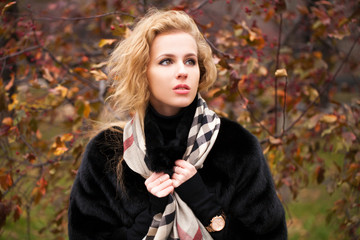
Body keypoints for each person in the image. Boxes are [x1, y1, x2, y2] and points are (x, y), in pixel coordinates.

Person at [68, 8, 287, 240]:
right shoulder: (107, 153)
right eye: (166, 61)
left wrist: (206, 206)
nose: (182, 71)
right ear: (143, 72)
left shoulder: (236, 146)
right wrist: (150, 216)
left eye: (190, 61)